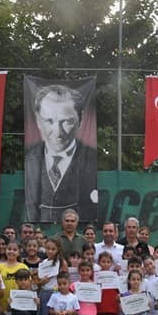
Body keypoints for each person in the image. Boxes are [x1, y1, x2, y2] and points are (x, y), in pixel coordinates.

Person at [24, 84, 98, 223]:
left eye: (66, 122)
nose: (57, 132)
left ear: (80, 119)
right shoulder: (29, 160)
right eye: (49, 121)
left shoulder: (92, 160)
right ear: (38, 120)